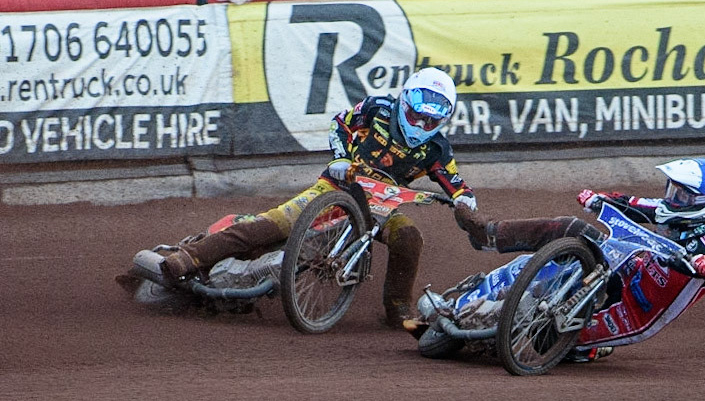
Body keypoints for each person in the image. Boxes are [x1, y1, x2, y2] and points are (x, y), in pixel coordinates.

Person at [142, 67, 477, 328]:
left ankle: (398, 308)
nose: (421, 123)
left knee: (410, 237)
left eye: (431, 119)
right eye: (417, 113)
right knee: (272, 224)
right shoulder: (377, 109)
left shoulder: (437, 149)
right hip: (336, 188)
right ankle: (186, 259)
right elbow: (340, 125)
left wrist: (465, 204)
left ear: (443, 119)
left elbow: (457, 184)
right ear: (405, 100)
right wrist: (341, 158)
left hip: (383, 207)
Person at [454, 157, 705, 361]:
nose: (672, 198)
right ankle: (490, 236)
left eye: (682, 195)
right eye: (672, 189)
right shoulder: (669, 209)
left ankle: (567, 344)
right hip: (630, 269)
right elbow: (632, 204)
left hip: (635, 313)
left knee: (547, 335)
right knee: (571, 229)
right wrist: (598, 199)